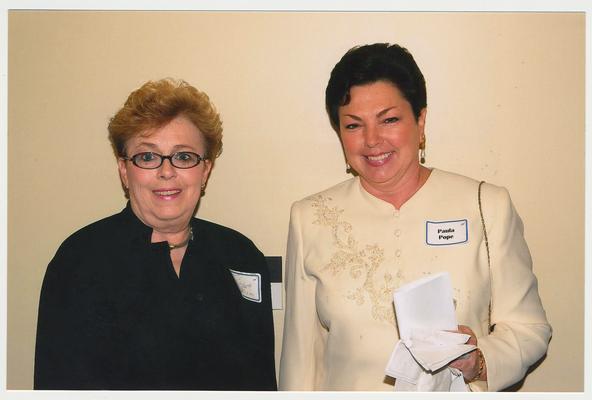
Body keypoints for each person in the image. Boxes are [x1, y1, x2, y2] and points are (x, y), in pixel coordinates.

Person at [279, 43, 551, 391]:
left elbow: (530, 329)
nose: (372, 140)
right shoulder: (310, 217)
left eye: (389, 119)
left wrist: (479, 359)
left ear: (420, 120)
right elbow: (301, 362)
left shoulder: (486, 205)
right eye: (353, 125)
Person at [34, 78, 277, 390]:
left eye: (184, 156)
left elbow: (261, 384)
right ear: (124, 169)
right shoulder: (80, 261)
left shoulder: (240, 254)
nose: (166, 171)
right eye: (147, 157)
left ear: (205, 171)